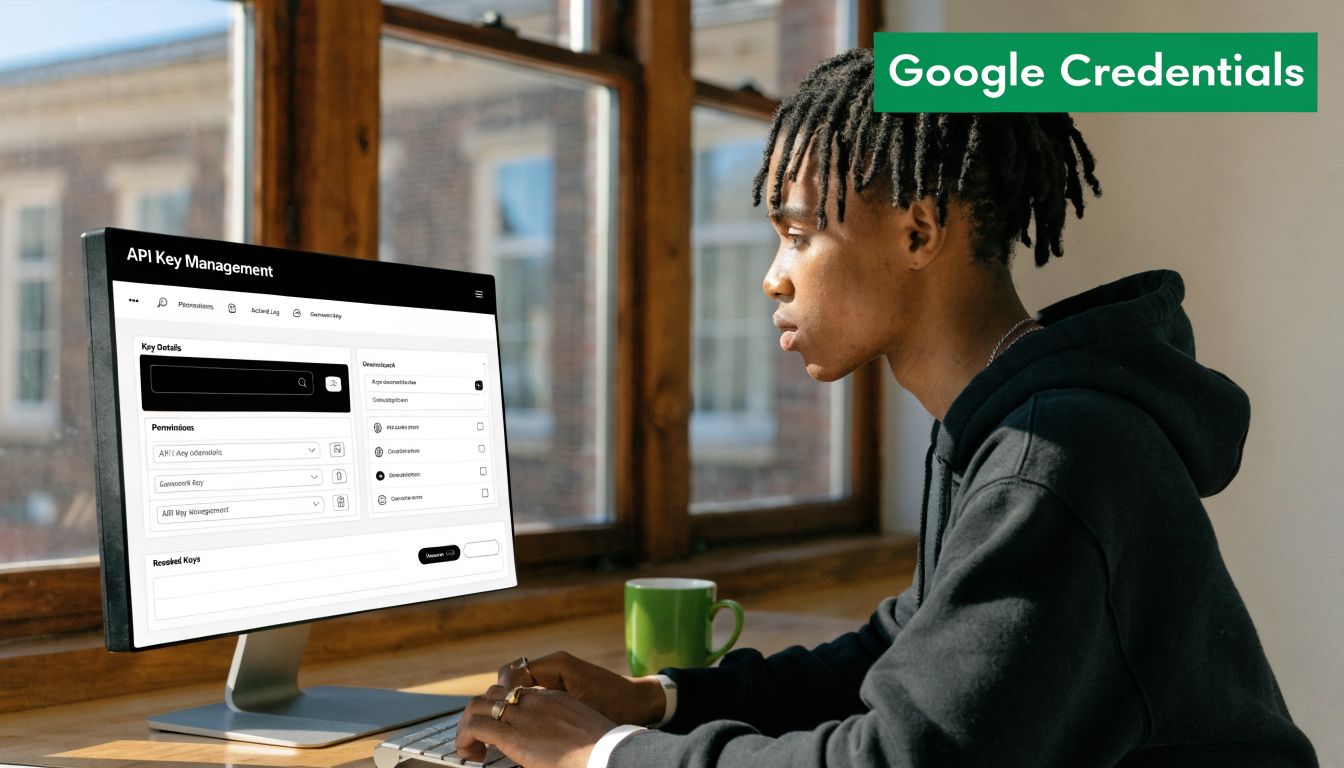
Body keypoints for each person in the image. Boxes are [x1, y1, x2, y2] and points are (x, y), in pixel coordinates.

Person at [454, 47, 1318, 767]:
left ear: (918, 231)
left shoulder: (1053, 456)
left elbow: (900, 759)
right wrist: (657, 698)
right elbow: (901, 651)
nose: (773, 275)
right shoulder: (1001, 427)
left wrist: (602, 755)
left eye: (797, 234)